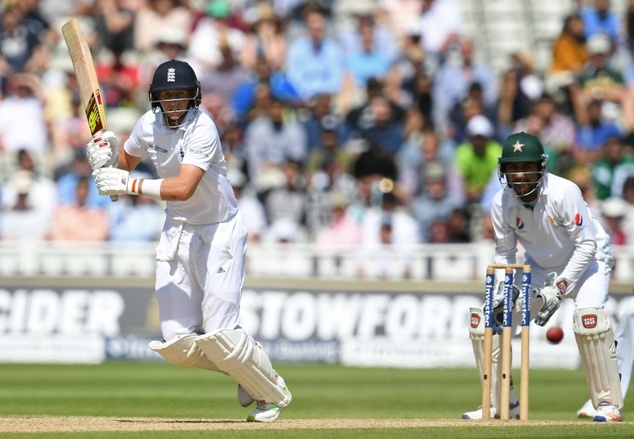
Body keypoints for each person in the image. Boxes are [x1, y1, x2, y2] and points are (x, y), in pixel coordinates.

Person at [86, 59, 292, 422]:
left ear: (194, 96)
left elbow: (182, 188)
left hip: (219, 230)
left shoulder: (203, 129)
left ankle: (270, 391)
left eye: (181, 95)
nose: (175, 103)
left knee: (219, 334)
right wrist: (106, 157)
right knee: (177, 342)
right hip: (177, 230)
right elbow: (124, 168)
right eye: (168, 96)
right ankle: (245, 367)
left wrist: (126, 183)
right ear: (156, 99)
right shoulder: (148, 125)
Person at [464, 132, 623, 422]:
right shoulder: (501, 203)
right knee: (488, 319)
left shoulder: (564, 192)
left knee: (589, 320)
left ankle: (607, 404)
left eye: (526, 167)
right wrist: (505, 289)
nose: (520, 175)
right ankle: (502, 404)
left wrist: (559, 289)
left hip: (589, 263)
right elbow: (505, 253)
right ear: (503, 170)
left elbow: (587, 244)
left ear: (541, 166)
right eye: (513, 168)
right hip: (538, 268)